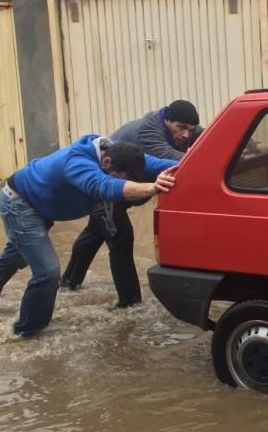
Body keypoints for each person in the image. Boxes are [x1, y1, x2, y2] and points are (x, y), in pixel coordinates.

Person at [0, 135, 177, 336]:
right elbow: (104, 185)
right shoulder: (76, 162)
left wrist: (197, 161)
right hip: (20, 205)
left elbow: (161, 163)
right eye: (124, 179)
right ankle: (27, 333)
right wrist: (151, 188)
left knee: (15, 258)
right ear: (106, 163)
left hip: (40, 207)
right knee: (47, 272)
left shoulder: (121, 156)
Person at [59, 100, 202, 304]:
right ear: (167, 120)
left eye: (190, 130)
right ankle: (130, 304)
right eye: (181, 128)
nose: (186, 135)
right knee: (121, 240)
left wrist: (251, 146)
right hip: (110, 188)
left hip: (125, 187)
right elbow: (174, 160)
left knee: (95, 233)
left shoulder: (177, 129)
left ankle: (68, 284)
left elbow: (208, 136)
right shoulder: (149, 131)